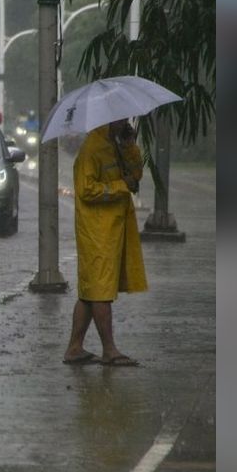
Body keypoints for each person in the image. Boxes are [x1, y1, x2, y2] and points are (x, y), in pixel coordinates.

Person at [63, 119, 147, 366]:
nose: (125, 121)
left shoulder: (116, 144)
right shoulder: (92, 148)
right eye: (121, 117)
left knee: (91, 292)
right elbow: (86, 189)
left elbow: (136, 174)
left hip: (114, 227)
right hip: (96, 231)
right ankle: (109, 349)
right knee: (100, 291)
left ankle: (74, 348)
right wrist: (122, 186)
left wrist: (130, 145)